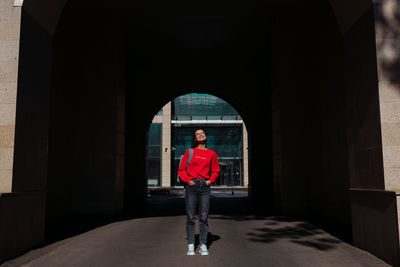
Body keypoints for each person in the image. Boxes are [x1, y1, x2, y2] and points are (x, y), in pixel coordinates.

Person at [178, 128, 220, 256]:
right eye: (198, 134)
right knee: (190, 216)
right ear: (195, 139)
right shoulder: (189, 152)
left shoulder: (212, 154)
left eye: (202, 133)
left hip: (205, 186)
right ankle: (191, 244)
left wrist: (209, 181)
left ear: (205, 136)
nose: (200, 135)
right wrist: (188, 181)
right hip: (192, 186)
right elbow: (181, 170)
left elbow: (216, 170)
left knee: (203, 217)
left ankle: (203, 244)